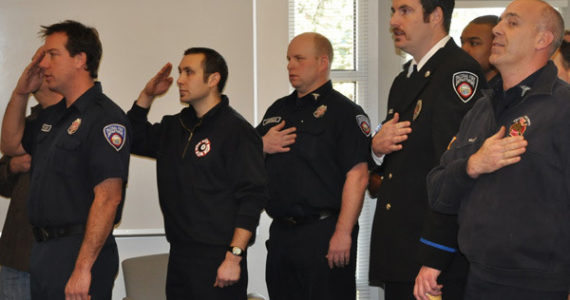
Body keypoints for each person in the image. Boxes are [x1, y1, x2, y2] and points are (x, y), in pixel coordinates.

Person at [427, 0, 570, 299]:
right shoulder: (481, 107)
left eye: (512, 22)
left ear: (542, 40)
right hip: (477, 278)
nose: (497, 29)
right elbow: (438, 192)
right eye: (501, 21)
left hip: (541, 286)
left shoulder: (563, 109)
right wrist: (471, 166)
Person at [1, 20, 130, 299]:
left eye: (52, 54)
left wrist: (83, 268)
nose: (43, 64)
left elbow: (108, 198)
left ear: (80, 59)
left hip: (79, 250)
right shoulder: (54, 117)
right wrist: (21, 93)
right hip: (44, 250)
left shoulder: (105, 117)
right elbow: (10, 144)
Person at [369, 0, 487, 299]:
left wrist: (435, 256)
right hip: (402, 246)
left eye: (405, 11)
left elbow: (454, 173)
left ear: (435, 16)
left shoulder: (458, 73)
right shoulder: (405, 78)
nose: (394, 20)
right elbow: (396, 161)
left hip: (431, 254)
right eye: (392, 12)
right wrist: (376, 149)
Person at [127, 47, 267, 300]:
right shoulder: (174, 127)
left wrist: (234, 257)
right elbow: (132, 138)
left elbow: (252, 197)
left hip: (219, 257)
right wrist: (146, 96)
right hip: (181, 256)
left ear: (213, 79)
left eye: (189, 72)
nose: (180, 79)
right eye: (181, 72)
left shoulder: (237, 131)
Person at [257, 32, 370, 300]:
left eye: (298, 59)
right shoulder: (278, 110)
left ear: (322, 62)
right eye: (288, 59)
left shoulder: (346, 113)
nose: (290, 66)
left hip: (324, 233)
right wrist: (260, 145)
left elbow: (359, 176)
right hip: (283, 233)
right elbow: (245, 157)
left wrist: (343, 233)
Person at [0, 72, 62, 300]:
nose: (37, 74)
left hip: (59, 258)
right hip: (17, 255)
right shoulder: (24, 126)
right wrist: (13, 166)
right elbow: (2, 184)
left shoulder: (78, 122)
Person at [461, 15, 500, 85]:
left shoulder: (509, 91)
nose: (463, 49)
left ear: (497, 45)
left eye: (474, 43)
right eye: (462, 42)